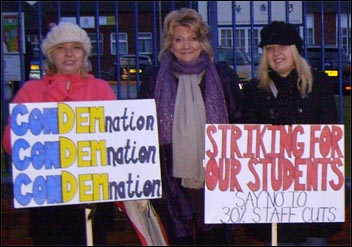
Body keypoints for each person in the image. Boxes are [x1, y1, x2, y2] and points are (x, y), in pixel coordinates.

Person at [2, 21, 116, 246]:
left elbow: (116, 138)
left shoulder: (100, 89)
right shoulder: (31, 91)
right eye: (61, 48)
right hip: (47, 199)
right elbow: (11, 142)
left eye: (76, 47)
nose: (69, 54)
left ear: (85, 54)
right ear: (51, 55)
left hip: (91, 196)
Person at [137, 8, 242, 245]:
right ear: (170, 44)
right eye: (179, 39)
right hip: (171, 178)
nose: (186, 46)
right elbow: (144, 130)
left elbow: (237, 122)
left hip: (215, 175)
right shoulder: (154, 78)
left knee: (215, 238)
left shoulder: (223, 76)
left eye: (193, 38)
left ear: (202, 42)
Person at [241, 21, 343, 246]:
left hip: (313, 193)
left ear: (295, 49)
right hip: (272, 195)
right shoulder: (255, 90)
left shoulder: (319, 85)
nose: (275, 53)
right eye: (269, 48)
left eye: (282, 46)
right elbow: (247, 140)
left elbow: (330, 135)